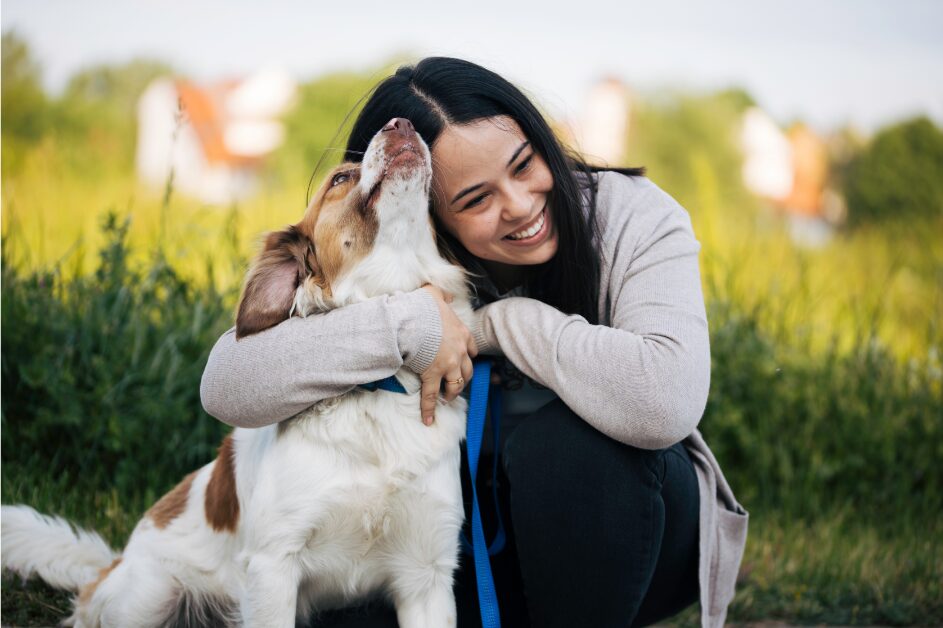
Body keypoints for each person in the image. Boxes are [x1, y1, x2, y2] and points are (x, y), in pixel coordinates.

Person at [200, 57, 748, 628]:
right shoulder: (410, 264)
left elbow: (665, 400)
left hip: (634, 535)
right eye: (476, 200)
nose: (519, 205)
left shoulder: (634, 217)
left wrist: (498, 325)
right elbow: (227, 384)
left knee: (566, 447)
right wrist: (410, 324)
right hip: (462, 555)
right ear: (428, 210)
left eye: (524, 164)